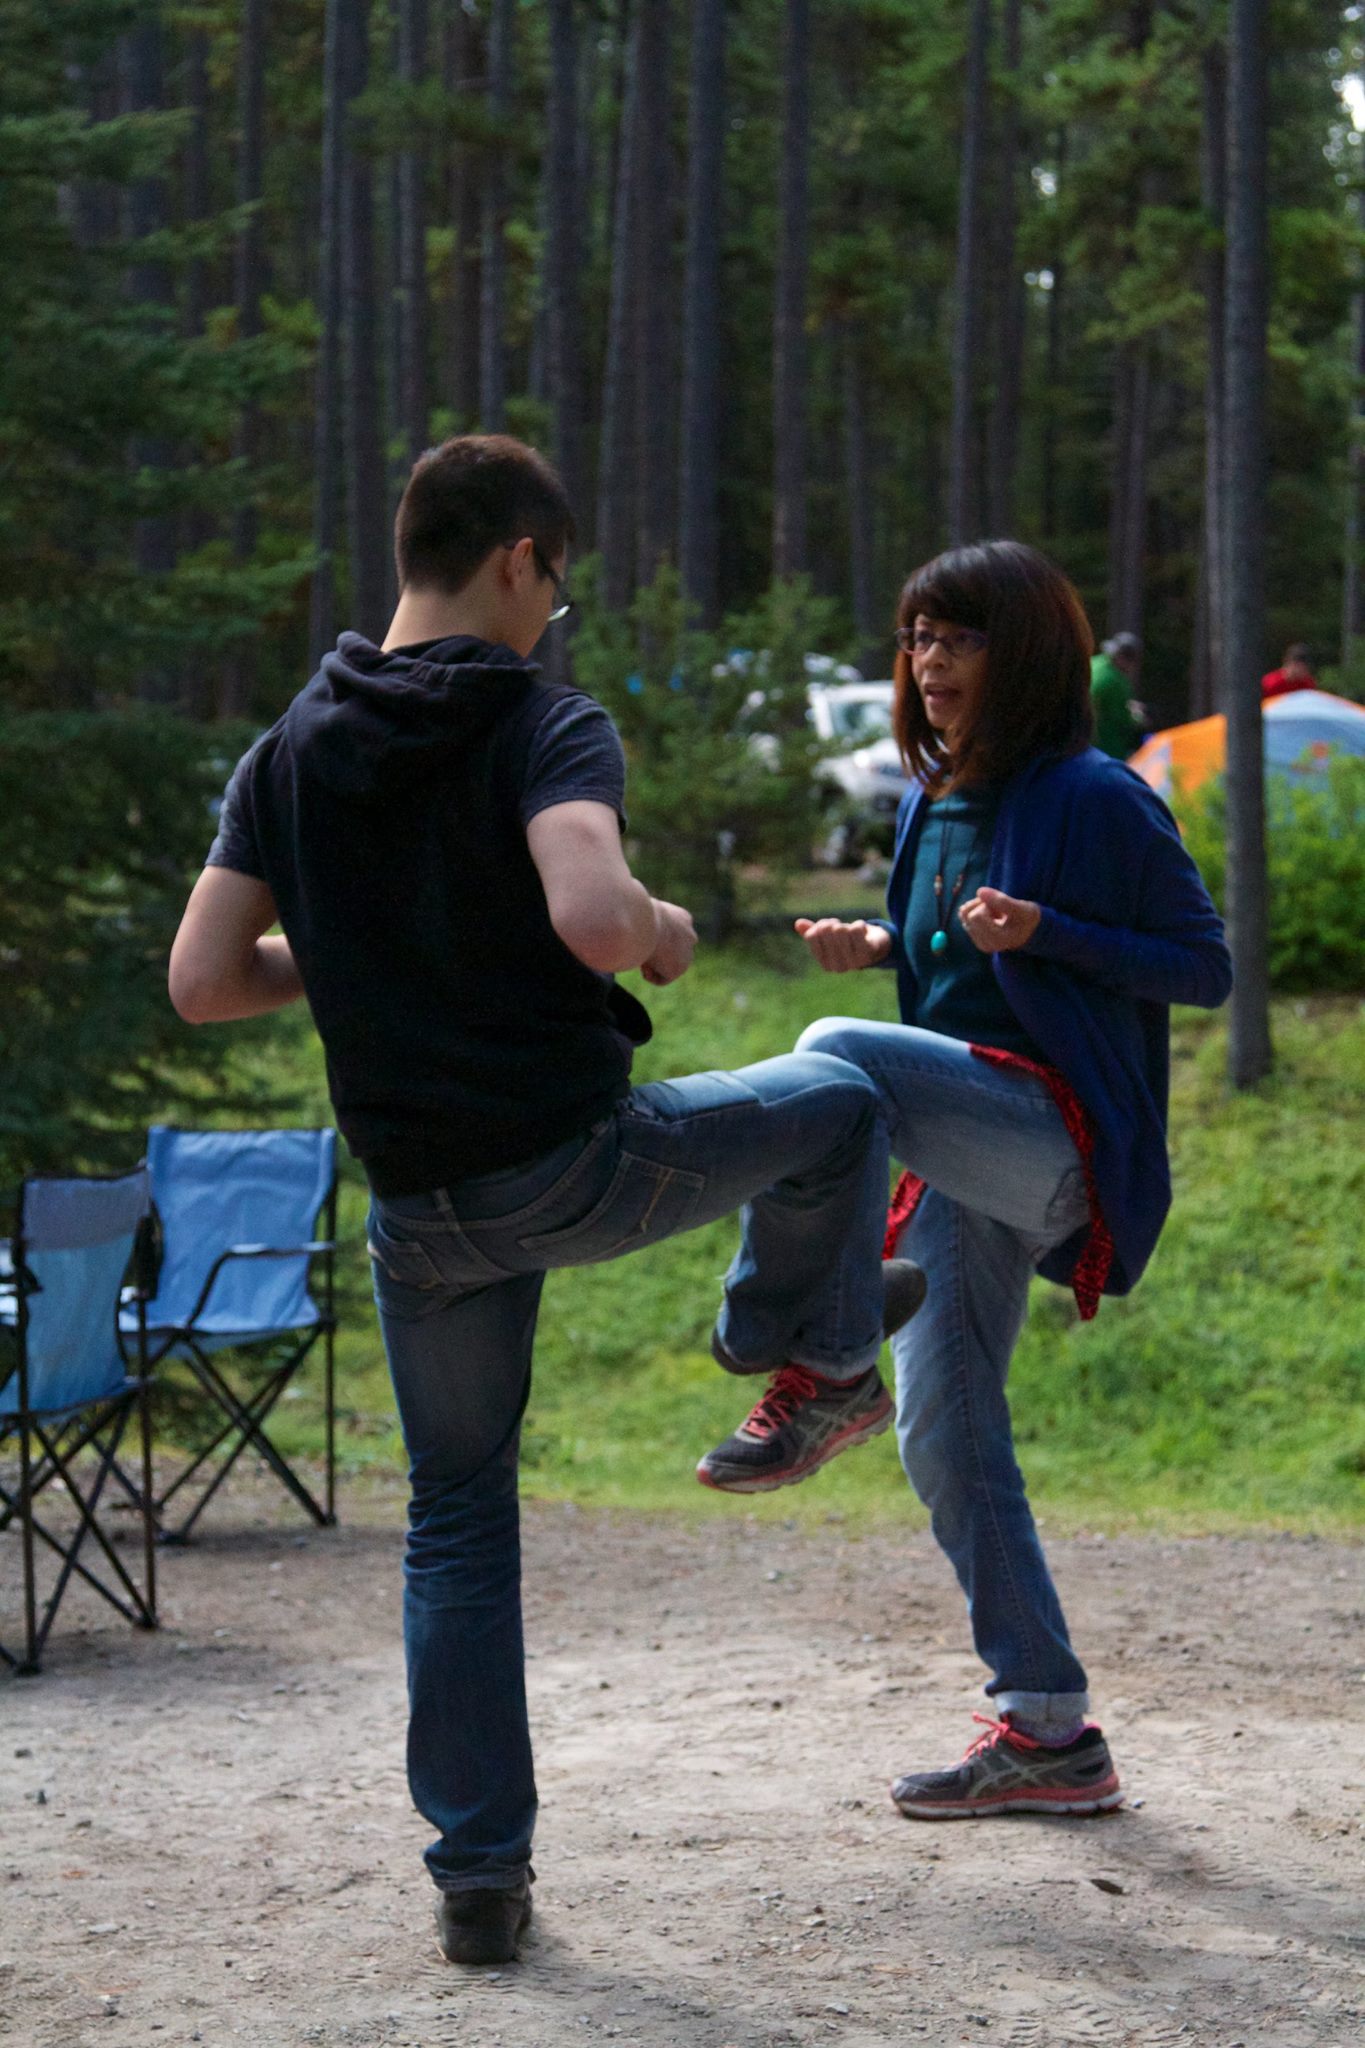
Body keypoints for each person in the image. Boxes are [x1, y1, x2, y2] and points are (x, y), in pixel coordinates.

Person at [167, 434, 924, 1968]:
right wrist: (663, 930)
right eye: (556, 585)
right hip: (574, 1160)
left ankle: (478, 1880)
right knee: (843, 1102)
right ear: (518, 557)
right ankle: (804, 1354)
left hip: (420, 1217)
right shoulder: (541, 719)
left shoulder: (289, 750)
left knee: (455, 1519)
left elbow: (202, 983)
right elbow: (587, 913)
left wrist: (375, 942)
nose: (551, 613)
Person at [764, 540, 1230, 1820]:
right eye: (917, 638)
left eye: (957, 638)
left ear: (1020, 652)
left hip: (1060, 1140)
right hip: (964, 1154)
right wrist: (879, 952)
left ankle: (825, 1352)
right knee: (948, 1434)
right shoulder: (929, 801)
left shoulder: (1095, 795)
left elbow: (1207, 967)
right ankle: (1047, 1726)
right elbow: (950, 997)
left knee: (827, 1061)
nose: (929, 663)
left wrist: (1052, 932)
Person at [1089, 630, 1147, 759]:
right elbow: (1123, 719)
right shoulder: (1116, 681)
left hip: (1077, 740)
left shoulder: (1093, 663)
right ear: (1125, 659)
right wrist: (1138, 717)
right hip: (1103, 748)